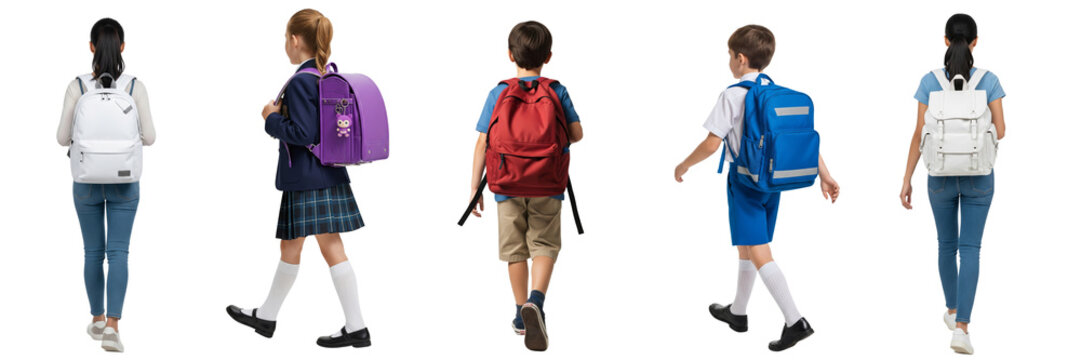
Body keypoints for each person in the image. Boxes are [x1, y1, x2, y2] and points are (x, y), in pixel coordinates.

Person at [673, 24, 840, 352]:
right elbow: (798, 141)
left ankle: (795, 321)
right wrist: (825, 175)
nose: (729, 61)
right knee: (747, 246)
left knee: (760, 252)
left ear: (740, 58)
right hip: (772, 185)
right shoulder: (774, 92)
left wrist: (684, 165)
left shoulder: (732, 95)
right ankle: (738, 313)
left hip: (745, 182)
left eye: (729, 55)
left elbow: (711, 144)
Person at [226, 9, 371, 349]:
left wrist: (270, 119)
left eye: (285, 38)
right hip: (327, 174)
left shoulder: (301, 81)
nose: (285, 44)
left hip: (307, 178)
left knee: (318, 246)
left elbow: (304, 133)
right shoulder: (324, 76)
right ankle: (271, 316)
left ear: (294, 39)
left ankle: (352, 326)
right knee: (306, 245)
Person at [467, 20, 583, 351]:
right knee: (545, 244)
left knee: (514, 249)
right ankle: (537, 301)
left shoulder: (499, 92)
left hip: (506, 183)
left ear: (510, 54)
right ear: (548, 57)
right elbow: (577, 135)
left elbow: (482, 143)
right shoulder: (557, 90)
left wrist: (474, 189)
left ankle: (521, 313)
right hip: (548, 182)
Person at [899, 13, 1006, 355]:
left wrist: (907, 178)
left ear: (946, 41)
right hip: (979, 175)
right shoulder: (989, 80)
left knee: (946, 246)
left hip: (939, 176)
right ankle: (962, 329)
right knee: (970, 249)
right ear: (975, 42)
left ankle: (952, 309)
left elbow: (919, 134)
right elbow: (1001, 130)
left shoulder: (929, 82)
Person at [57, 17, 156, 353]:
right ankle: (113, 327)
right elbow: (150, 137)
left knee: (92, 253)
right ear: (123, 47)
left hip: (85, 181)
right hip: (125, 182)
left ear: (91, 47)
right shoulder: (134, 87)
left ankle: (97, 319)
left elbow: (61, 138)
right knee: (118, 253)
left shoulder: (77, 87)